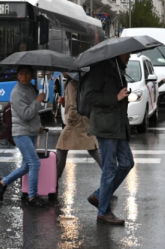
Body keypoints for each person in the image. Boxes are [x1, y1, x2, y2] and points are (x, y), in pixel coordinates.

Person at [84, 54, 134, 225]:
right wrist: (116, 98)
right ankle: (103, 211)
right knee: (110, 168)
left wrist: (123, 97)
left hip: (118, 125)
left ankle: (99, 196)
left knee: (127, 163)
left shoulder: (119, 70)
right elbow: (89, 95)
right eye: (127, 53)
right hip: (106, 126)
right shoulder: (101, 69)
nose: (129, 56)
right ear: (118, 53)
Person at [0, 66, 48, 207]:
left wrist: (39, 125)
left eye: (27, 73)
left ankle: (2, 183)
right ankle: (32, 197)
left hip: (31, 131)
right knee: (35, 163)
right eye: (21, 74)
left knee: (26, 166)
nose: (24, 76)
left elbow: (34, 113)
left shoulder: (30, 88)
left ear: (32, 75)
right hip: (21, 132)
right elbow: (26, 114)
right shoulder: (16, 92)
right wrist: (38, 101)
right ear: (17, 76)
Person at [55, 71, 102, 181]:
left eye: (64, 70)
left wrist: (71, 120)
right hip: (83, 120)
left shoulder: (72, 84)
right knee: (93, 148)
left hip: (75, 122)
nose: (62, 72)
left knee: (61, 149)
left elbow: (73, 105)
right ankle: (110, 174)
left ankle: (54, 180)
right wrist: (64, 102)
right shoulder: (79, 81)